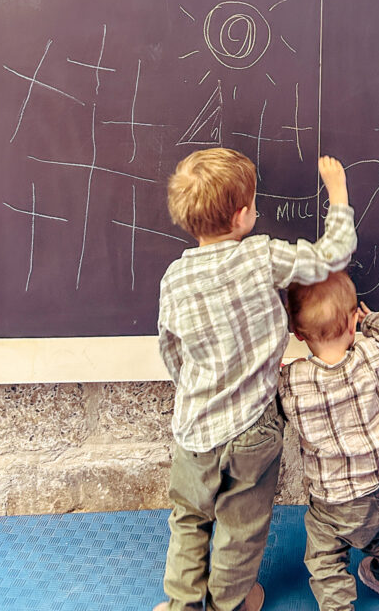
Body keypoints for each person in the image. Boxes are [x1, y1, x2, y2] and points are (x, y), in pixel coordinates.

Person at [154, 149, 356, 611]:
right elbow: (332, 257)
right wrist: (338, 195)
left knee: (188, 518)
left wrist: (193, 392)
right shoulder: (262, 257)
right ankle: (231, 602)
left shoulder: (174, 278)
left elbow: (171, 350)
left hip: (194, 429)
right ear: (243, 215)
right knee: (240, 526)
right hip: (252, 426)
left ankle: (181, 603)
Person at [278, 271, 379, 610]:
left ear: (296, 333)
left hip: (334, 502)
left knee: (326, 557)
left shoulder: (291, 381)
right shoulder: (371, 356)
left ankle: (338, 606)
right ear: (353, 321)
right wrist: (372, 322)